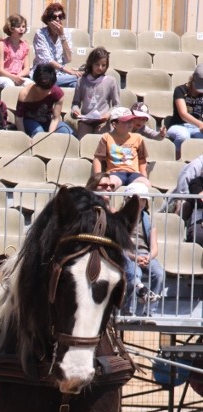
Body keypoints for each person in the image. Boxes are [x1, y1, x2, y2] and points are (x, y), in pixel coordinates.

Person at [121, 182, 164, 315]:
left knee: (159, 273)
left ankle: (150, 312)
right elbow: (120, 245)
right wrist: (134, 257)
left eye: (143, 199)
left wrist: (148, 257)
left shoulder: (149, 220)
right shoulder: (120, 218)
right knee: (135, 273)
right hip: (126, 253)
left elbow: (154, 247)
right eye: (136, 199)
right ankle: (130, 311)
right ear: (127, 200)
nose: (140, 202)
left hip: (144, 254)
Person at [93, 106, 151, 190]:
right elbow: (97, 159)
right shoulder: (106, 137)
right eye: (126, 121)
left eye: (131, 121)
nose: (130, 124)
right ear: (115, 124)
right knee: (108, 186)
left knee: (145, 185)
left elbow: (142, 161)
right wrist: (98, 178)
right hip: (115, 173)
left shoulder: (138, 138)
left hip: (134, 174)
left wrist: (144, 176)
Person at [70, 46, 120, 140]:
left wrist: (108, 114)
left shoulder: (111, 81)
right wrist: (75, 110)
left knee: (100, 144)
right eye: (97, 64)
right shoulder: (82, 81)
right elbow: (75, 102)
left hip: (102, 122)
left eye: (103, 65)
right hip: (85, 121)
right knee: (83, 142)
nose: (100, 68)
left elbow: (116, 105)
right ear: (91, 63)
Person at [15, 63, 74, 137]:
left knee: (67, 132)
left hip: (47, 120)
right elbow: (19, 118)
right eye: (43, 89)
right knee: (39, 132)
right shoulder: (25, 94)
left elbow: (55, 118)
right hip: (29, 120)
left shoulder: (58, 93)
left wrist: (49, 135)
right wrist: (23, 136)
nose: (47, 91)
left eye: (49, 88)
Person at [32, 2, 81, 88]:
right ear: (48, 20)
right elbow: (47, 60)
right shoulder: (40, 34)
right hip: (44, 74)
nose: (58, 20)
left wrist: (62, 36)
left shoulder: (66, 33)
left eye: (60, 17)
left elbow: (68, 59)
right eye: (54, 17)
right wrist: (70, 72)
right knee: (78, 78)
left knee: (77, 85)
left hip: (60, 75)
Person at [166, 65, 203, 158]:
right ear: (193, 79)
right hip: (178, 125)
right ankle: (177, 160)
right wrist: (200, 124)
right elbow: (183, 114)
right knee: (183, 136)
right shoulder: (180, 90)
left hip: (196, 127)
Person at [0, 13, 31, 90]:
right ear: (11, 28)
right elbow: (0, 70)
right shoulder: (2, 44)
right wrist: (14, 78)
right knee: (9, 84)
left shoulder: (25, 45)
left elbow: (27, 68)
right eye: (18, 26)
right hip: (1, 77)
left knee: (31, 85)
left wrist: (19, 76)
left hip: (18, 76)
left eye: (23, 26)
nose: (21, 29)